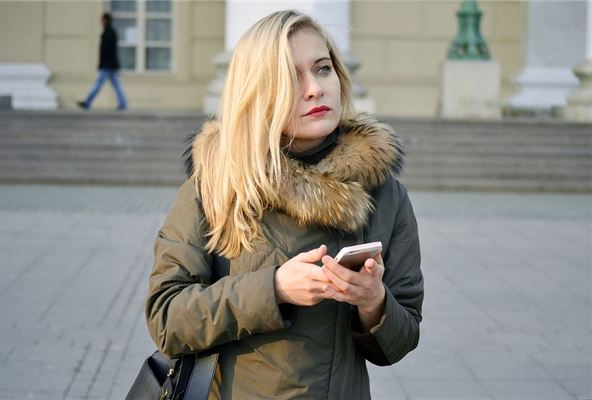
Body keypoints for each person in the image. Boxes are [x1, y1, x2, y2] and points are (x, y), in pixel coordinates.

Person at [145, 10, 423, 399]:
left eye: (322, 69)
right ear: (256, 92)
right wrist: (273, 288)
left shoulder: (385, 192)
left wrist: (374, 302)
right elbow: (167, 318)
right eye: (291, 78)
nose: (315, 89)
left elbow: (402, 340)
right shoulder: (216, 184)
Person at [77, 12, 127, 111]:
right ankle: (122, 103)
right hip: (110, 64)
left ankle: (87, 102)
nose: (100, 22)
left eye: (102, 20)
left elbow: (105, 50)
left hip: (107, 65)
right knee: (116, 85)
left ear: (106, 21)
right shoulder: (110, 32)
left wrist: (101, 63)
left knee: (99, 84)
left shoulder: (108, 33)